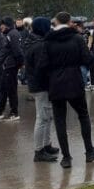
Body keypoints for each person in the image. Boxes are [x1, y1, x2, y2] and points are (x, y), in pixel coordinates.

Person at [45, 12, 94, 169]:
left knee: (60, 120)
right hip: (74, 81)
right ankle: (89, 151)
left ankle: (66, 157)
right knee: (83, 115)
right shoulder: (77, 38)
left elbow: (44, 64)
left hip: (56, 83)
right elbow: (88, 60)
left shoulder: (49, 40)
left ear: (56, 22)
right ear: (70, 22)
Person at [26, 17, 60, 162]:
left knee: (47, 117)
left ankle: (46, 145)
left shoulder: (34, 42)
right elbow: (42, 67)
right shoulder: (40, 45)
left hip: (38, 85)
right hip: (41, 86)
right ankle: (39, 150)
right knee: (42, 118)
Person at [0, 17, 23, 120]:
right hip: (8, 65)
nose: (0, 27)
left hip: (11, 66)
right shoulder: (9, 34)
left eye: (1, 25)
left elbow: (17, 51)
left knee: (11, 89)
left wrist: (19, 63)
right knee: (4, 88)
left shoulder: (12, 34)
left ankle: (14, 112)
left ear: (6, 24)